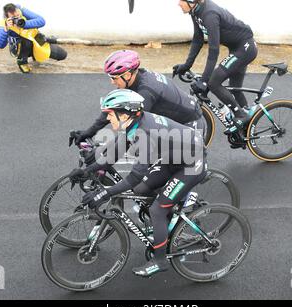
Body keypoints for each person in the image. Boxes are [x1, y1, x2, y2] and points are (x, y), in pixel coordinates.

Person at [69, 89, 207, 277]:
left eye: (110, 114)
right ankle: (172, 213)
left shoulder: (144, 133)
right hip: (173, 158)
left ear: (124, 114)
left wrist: (104, 193)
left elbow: (134, 177)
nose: (108, 119)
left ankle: (159, 260)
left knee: (157, 210)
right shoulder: (133, 124)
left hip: (191, 165)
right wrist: (86, 171)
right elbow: (111, 156)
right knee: (142, 189)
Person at [70, 50, 207, 147]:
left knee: (150, 157)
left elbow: (131, 128)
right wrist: (89, 132)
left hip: (189, 124)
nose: (112, 82)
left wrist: (103, 155)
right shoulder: (136, 78)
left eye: (114, 78)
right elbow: (113, 108)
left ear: (128, 75)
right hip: (177, 114)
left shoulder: (145, 93)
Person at [173, 0, 258, 129]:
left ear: (191, 1)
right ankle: (246, 127)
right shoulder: (195, 11)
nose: (178, 4)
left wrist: (204, 80)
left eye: (181, 0)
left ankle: (240, 115)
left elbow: (214, 50)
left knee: (214, 82)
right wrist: (186, 65)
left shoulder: (209, 14)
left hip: (245, 48)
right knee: (235, 88)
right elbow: (197, 39)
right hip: (237, 48)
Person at [0, 3, 67, 73]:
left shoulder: (22, 11)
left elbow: (41, 21)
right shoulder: (3, 24)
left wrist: (24, 24)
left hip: (35, 41)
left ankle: (39, 49)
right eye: (14, 18)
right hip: (19, 48)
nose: (17, 18)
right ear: (7, 17)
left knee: (62, 55)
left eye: (18, 15)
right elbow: (0, 45)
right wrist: (6, 30)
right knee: (27, 41)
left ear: (17, 10)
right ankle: (22, 62)